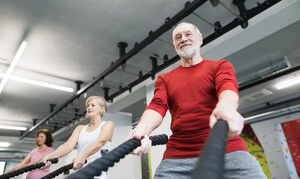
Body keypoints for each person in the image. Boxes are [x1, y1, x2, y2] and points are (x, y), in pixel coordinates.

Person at [129, 22, 267, 179]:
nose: (183, 39)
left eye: (188, 34)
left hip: (229, 151)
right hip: (177, 159)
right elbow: (157, 105)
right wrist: (141, 130)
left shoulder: (219, 66)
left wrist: (226, 107)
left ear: (200, 39)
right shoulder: (164, 79)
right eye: (178, 37)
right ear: (174, 45)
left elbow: (227, 88)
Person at [43, 96, 114, 179]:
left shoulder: (107, 125)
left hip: (97, 175)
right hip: (80, 173)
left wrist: (83, 155)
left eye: (93, 105)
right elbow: (68, 146)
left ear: (102, 109)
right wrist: (50, 156)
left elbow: (100, 142)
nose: (89, 107)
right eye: (88, 105)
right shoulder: (80, 128)